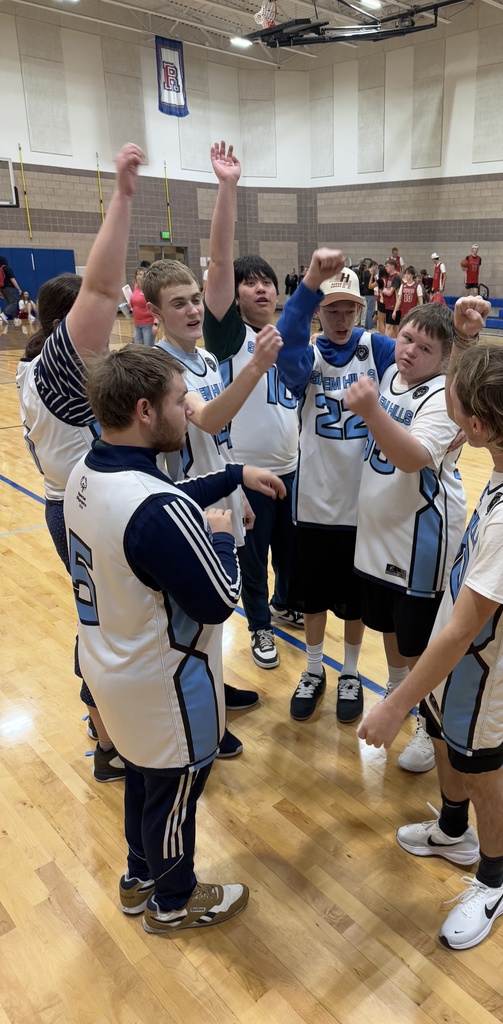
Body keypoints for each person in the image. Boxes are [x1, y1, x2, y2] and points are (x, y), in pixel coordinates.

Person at [359, 298, 503, 950]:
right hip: (470, 655)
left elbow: (458, 630)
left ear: (478, 428)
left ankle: (493, 879)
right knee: (450, 746)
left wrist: (396, 701)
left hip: (482, 663)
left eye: (452, 404)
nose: (443, 408)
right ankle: (452, 833)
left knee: (482, 770)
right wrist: (470, 340)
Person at [65, 345, 283, 933]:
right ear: (144, 410)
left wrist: (234, 474)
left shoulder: (88, 471)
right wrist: (220, 533)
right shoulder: (155, 508)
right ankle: (173, 900)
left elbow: (159, 511)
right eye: (178, 400)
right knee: (175, 791)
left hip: (111, 661)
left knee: (142, 775)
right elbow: (218, 600)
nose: (190, 410)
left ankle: (139, 876)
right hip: (165, 683)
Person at [15, 144, 146, 783]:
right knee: (102, 626)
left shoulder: (27, 369)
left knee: (99, 618)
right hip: (82, 511)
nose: (111, 327)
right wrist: (121, 195)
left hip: (63, 503)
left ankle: (107, 735)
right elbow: (98, 287)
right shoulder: (61, 376)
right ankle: (107, 739)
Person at [142, 257, 285, 750]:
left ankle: (214, 690)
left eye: (195, 300)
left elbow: (219, 441)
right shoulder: (160, 369)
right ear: (156, 314)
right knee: (190, 618)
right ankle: (205, 723)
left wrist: (238, 490)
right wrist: (256, 368)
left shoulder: (203, 360)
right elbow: (207, 419)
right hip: (186, 504)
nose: (193, 310)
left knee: (208, 620)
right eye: (178, 304)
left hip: (218, 496)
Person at [276, 250, 396, 724]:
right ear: (318, 312)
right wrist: (308, 284)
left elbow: (420, 368)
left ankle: (348, 671)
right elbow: (286, 340)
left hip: (364, 503)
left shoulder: (377, 349)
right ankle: (311, 668)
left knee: (353, 600)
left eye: (350, 309)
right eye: (332, 309)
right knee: (311, 596)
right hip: (315, 502)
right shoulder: (305, 355)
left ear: (361, 310)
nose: (342, 318)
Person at [347, 303, 466, 774]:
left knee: (421, 641)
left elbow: (413, 456)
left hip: (421, 537)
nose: (411, 351)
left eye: (425, 347)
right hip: (378, 533)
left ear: (443, 359)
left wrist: (372, 412)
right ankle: (402, 697)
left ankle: (426, 720)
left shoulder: (444, 396)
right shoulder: (392, 374)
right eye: (407, 339)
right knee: (392, 632)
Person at [202, 140, 303, 674]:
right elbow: (219, 260)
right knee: (253, 556)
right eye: (250, 281)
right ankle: (260, 627)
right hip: (245, 472)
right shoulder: (228, 336)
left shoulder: (289, 336)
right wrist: (228, 187)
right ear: (235, 294)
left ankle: (283, 608)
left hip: (292, 467)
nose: (261, 288)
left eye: (266, 280)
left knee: (290, 552)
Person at [130, 268, 155, 345]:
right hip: (137, 323)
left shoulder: (150, 289)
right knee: (138, 349)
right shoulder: (136, 287)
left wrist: (156, 324)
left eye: (140, 274)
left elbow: (157, 307)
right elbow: (134, 302)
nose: (138, 276)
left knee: (147, 349)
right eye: (137, 274)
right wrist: (130, 306)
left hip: (148, 324)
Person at [380, 258, 402, 338]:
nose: (386, 268)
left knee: (389, 327)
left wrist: (383, 290)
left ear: (393, 267)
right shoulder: (390, 277)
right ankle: (398, 341)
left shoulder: (396, 278)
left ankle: (384, 343)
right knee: (395, 327)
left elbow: (389, 293)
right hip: (388, 305)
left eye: (387, 266)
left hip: (394, 306)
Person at [0, 255, 22, 323]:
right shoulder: (6, 268)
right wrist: (18, 288)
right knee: (14, 301)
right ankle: (4, 314)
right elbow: (12, 279)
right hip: (8, 287)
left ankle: (15, 317)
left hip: (1, 288)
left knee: (9, 303)